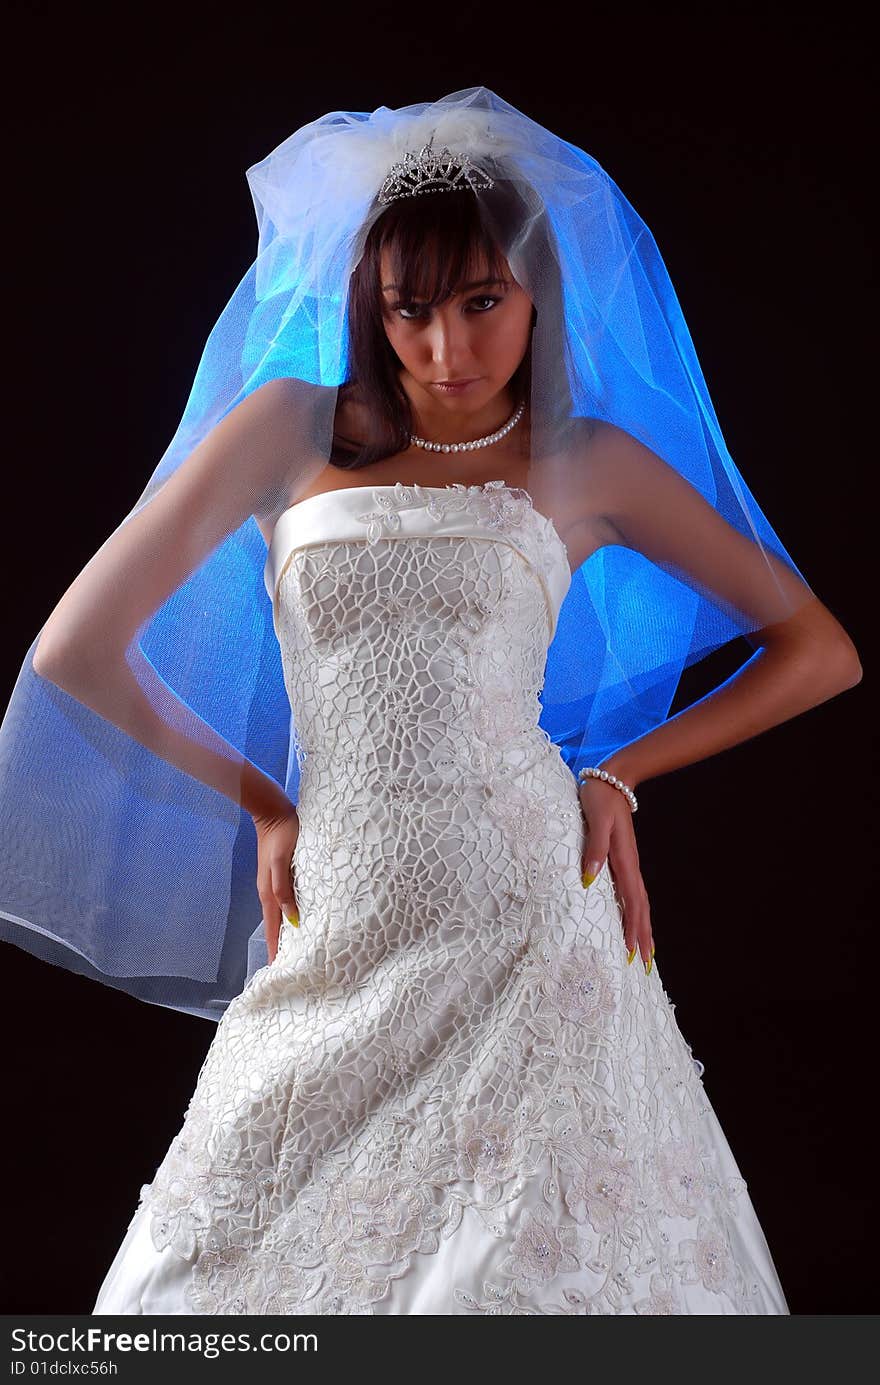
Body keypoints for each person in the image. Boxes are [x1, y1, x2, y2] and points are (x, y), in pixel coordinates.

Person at [0, 88, 861, 1315]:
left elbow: (817, 647)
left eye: (480, 305)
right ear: (371, 303)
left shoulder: (590, 462)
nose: (448, 350)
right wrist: (263, 804)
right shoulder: (285, 428)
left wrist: (619, 772)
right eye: (411, 311)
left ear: (533, 298)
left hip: (528, 912)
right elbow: (74, 648)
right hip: (344, 904)